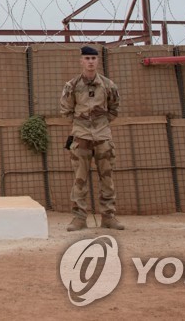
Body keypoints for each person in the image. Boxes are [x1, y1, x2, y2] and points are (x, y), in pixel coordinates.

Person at [59, 45, 125, 231]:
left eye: (93, 59)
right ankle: (79, 219)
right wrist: (82, 125)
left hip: (103, 137)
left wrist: (100, 124)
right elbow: (66, 110)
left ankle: (108, 217)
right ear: (81, 61)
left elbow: (115, 109)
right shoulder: (72, 86)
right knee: (80, 179)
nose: (90, 62)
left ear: (98, 61)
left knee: (107, 178)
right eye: (87, 58)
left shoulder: (108, 85)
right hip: (81, 138)